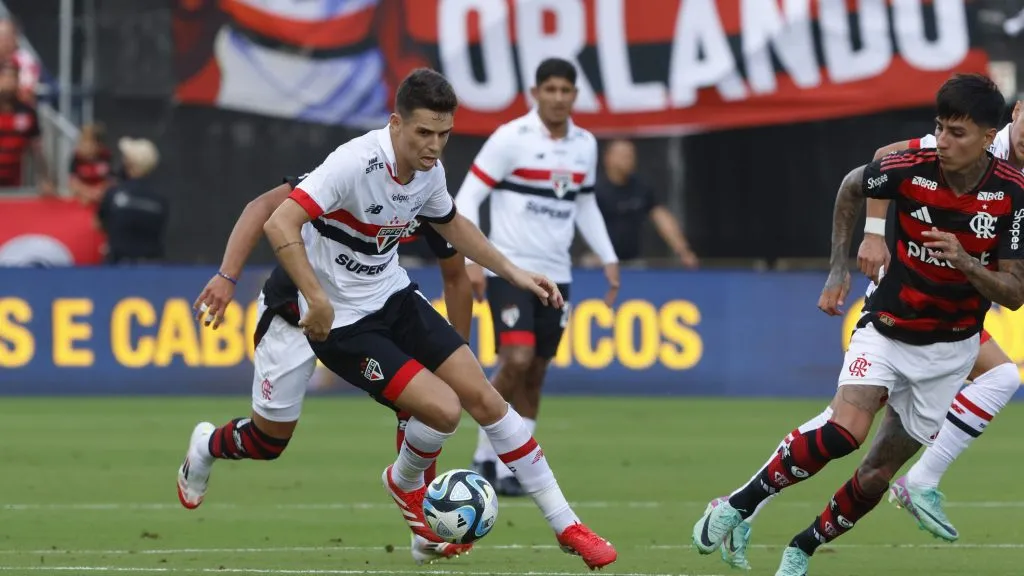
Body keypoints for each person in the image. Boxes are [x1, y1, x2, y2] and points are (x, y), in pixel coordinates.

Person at [261, 68, 617, 569]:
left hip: (394, 297)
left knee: (486, 400)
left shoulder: (430, 171)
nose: (434, 145)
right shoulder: (354, 163)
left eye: (444, 134)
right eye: (424, 132)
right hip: (342, 323)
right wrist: (316, 298)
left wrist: (513, 272)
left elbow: (452, 224)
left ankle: (567, 525)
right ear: (396, 123)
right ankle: (404, 482)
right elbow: (279, 221)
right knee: (445, 411)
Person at [691, 74, 1024, 576]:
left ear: (984, 136)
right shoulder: (914, 163)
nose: (943, 141)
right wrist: (848, 256)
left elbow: (1015, 294)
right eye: (940, 128)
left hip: (952, 350)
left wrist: (966, 263)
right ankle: (738, 504)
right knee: (845, 430)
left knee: (875, 477)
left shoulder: (1012, 194)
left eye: (956, 133)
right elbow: (854, 182)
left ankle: (801, 547)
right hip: (888, 326)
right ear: (1011, 120)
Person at [178, 172, 475, 564]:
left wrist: (456, 353)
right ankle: (206, 446)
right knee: (268, 442)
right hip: (294, 314)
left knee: (425, 403)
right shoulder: (348, 173)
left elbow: (457, 278)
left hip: (365, 314)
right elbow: (261, 209)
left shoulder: (428, 198)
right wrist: (227, 275)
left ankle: (423, 527)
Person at [455, 58, 620, 496]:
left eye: (566, 90)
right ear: (535, 93)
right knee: (518, 359)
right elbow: (468, 195)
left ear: (575, 96)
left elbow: (585, 205)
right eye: (550, 89)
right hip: (511, 267)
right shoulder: (511, 138)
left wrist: (608, 256)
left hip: (558, 274)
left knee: (537, 371)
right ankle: (482, 456)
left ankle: (512, 471)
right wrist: (473, 260)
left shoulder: (584, 144)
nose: (558, 98)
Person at [592, 138, 698, 268]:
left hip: (633, 262)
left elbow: (662, 218)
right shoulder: (593, 190)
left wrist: (683, 251)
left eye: (631, 155)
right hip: (598, 263)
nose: (628, 159)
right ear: (608, 158)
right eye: (623, 155)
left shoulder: (642, 187)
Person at [97, 138, 167, 264]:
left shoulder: (114, 194)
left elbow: (99, 223)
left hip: (117, 268)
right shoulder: (160, 199)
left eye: (126, 158)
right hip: (152, 267)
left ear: (129, 164)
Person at [0, 63, 51, 195]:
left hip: (14, 184)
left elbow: (36, 149)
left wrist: (45, 179)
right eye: (5, 78)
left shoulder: (27, 112)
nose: (9, 83)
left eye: (13, 78)